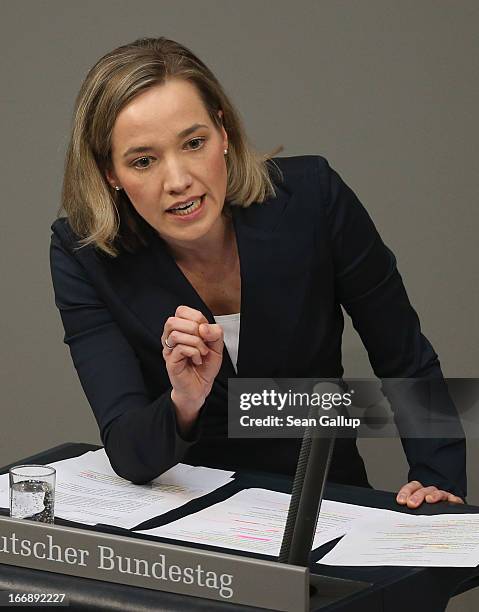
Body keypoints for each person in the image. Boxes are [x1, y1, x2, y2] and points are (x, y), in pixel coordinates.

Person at [50, 37, 466, 509]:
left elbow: (405, 360)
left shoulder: (314, 199)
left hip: (326, 507)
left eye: (194, 143)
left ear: (223, 133)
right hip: (187, 521)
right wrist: (184, 401)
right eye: (143, 161)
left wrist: (439, 478)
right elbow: (127, 450)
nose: (178, 180)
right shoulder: (83, 253)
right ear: (110, 173)